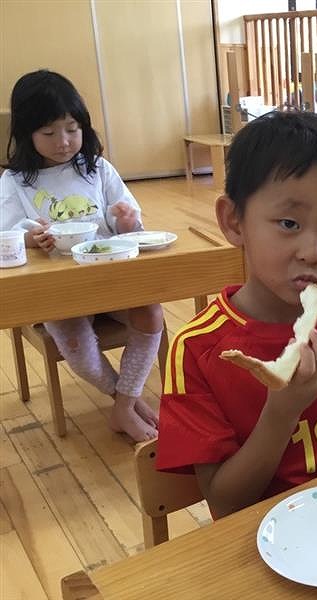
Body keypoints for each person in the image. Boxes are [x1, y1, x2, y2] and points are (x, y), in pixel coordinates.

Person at [156, 111, 317, 518]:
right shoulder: (200, 348)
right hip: (263, 542)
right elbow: (225, 502)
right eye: (289, 223)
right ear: (234, 221)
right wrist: (283, 409)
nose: (312, 252)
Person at [0, 70, 163, 442]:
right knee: (74, 342)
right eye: (49, 133)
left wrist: (127, 220)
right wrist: (28, 240)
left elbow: (130, 226)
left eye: (72, 129)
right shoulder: (15, 182)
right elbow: (4, 237)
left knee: (151, 311)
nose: (63, 142)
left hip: (109, 278)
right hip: (59, 290)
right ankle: (124, 400)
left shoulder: (97, 168)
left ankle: (124, 406)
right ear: (27, 134)